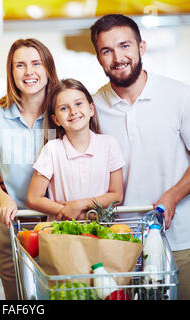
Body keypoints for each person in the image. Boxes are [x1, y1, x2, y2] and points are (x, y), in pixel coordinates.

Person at [90, 14, 190, 300]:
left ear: (141, 47)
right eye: (106, 50)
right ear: (98, 57)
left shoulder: (180, 95)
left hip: (176, 236)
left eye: (125, 46)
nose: (118, 57)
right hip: (117, 240)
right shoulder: (91, 108)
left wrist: (172, 195)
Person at [0, 38, 59, 299]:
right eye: (20, 65)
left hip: (58, 225)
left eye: (36, 63)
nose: (29, 72)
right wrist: (5, 200)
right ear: (11, 72)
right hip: (13, 226)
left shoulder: (63, 111)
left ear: (48, 68)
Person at [27, 78, 125, 220]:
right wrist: (69, 211)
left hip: (101, 234)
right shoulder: (52, 150)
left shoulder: (109, 144)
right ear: (56, 120)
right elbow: (34, 198)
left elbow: (116, 194)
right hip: (61, 235)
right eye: (64, 108)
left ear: (91, 109)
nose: (73, 111)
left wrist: (81, 205)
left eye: (78, 104)